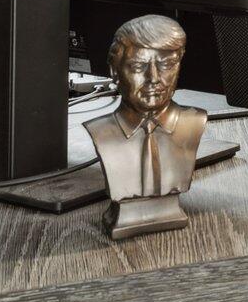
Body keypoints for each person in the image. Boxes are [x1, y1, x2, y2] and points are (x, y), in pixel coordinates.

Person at [82, 13, 208, 239]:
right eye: (139, 66)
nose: (154, 78)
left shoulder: (195, 123)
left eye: (167, 65)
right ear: (114, 70)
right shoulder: (101, 133)